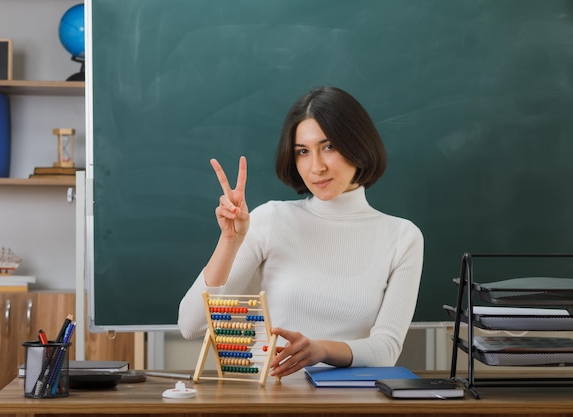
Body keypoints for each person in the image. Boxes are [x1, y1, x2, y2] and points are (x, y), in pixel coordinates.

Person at [178, 86, 424, 378]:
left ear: (358, 145)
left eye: (329, 146)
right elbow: (191, 325)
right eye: (303, 152)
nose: (316, 167)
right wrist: (230, 240)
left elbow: (386, 349)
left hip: (356, 405)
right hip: (274, 403)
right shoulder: (271, 219)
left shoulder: (402, 237)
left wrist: (321, 350)